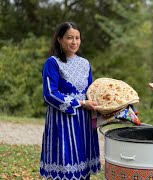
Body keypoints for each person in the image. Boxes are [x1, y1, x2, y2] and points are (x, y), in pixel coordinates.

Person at [40, 22, 101, 180]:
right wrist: (79, 103)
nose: (74, 42)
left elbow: (90, 92)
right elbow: (49, 94)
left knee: (83, 164)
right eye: (69, 38)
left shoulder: (85, 63)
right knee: (65, 165)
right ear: (59, 39)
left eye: (77, 38)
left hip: (85, 122)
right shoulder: (52, 63)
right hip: (62, 120)